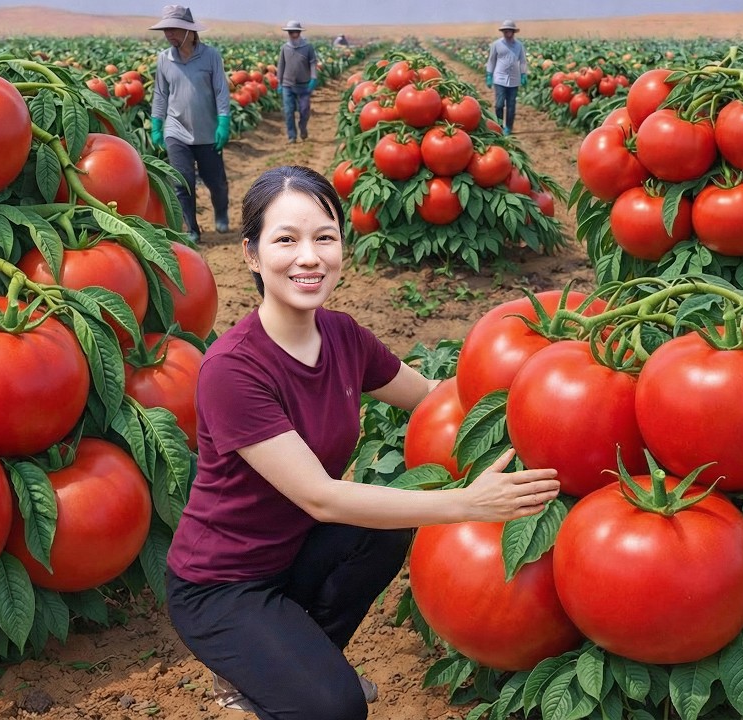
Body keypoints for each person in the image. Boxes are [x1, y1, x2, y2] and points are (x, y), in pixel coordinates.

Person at [164, 165, 561, 720]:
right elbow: (321, 498)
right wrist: (466, 503)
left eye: (325, 237)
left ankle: (286, 670)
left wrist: (540, 389)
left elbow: (433, 395)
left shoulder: (344, 335)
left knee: (379, 534)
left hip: (294, 551)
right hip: (222, 584)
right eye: (286, 240)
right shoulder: (233, 369)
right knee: (338, 710)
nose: (310, 257)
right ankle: (273, 673)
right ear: (251, 255)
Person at [149, 4, 232, 242]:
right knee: (181, 181)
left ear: (189, 31)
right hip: (176, 130)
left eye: (174, 29)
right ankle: (192, 229)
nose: (169, 35)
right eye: (166, 30)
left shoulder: (210, 56)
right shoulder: (164, 59)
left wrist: (223, 122)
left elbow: (220, 91)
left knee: (215, 182)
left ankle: (222, 211)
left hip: (207, 131)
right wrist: (157, 125)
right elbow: (160, 94)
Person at [277, 20, 319, 144]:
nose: (293, 34)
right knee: (288, 111)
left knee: (304, 110)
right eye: (291, 32)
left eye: (295, 32)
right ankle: (292, 136)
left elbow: (312, 63)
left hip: (304, 85)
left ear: (299, 32)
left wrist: (313, 77)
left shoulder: (307, 47)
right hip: (287, 85)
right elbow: (281, 65)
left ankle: (303, 127)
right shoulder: (285, 48)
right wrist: (279, 82)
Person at [485, 19, 529, 135]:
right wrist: (489, 74)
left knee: (511, 105)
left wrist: (523, 74)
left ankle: (508, 127)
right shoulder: (496, 45)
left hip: (514, 79)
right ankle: (499, 125)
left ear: (513, 32)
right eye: (505, 31)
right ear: (503, 32)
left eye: (509, 31)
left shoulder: (519, 46)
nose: (507, 33)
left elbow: (523, 61)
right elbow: (491, 60)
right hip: (499, 79)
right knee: (499, 104)